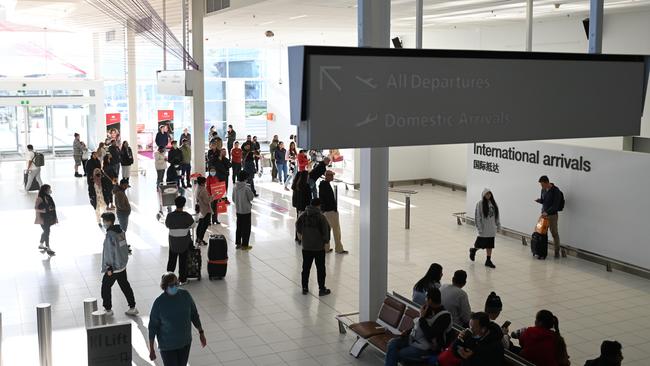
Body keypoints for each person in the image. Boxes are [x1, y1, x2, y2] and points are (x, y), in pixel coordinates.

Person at [148, 272, 207, 365]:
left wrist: (201, 332)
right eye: (172, 285)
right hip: (168, 347)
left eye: (177, 283)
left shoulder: (185, 295)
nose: (175, 286)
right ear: (164, 287)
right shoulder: (159, 303)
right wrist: (151, 349)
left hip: (185, 343)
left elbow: (194, 315)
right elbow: (152, 327)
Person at [384, 288, 452, 366]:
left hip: (428, 348)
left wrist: (422, 317)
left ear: (429, 300)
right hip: (413, 340)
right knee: (392, 343)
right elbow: (418, 325)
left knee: (400, 354)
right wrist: (408, 331)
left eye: (426, 298)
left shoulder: (445, 317)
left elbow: (430, 335)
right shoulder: (428, 308)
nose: (424, 300)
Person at [100, 212, 138, 317]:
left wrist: (108, 267)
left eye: (104, 221)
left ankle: (108, 309)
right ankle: (132, 307)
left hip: (113, 268)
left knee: (105, 287)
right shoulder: (120, 231)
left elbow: (109, 252)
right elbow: (124, 248)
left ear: (109, 221)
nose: (103, 223)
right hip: (121, 265)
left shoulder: (110, 235)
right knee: (125, 285)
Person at [296, 198, 331, 296]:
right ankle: (321, 289)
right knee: (320, 268)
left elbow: (298, 226)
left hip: (306, 246)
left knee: (306, 268)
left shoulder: (303, 215)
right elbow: (326, 230)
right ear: (318, 205)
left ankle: (305, 287)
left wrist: (303, 235)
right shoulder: (321, 217)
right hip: (318, 247)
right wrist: (326, 241)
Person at [165, 196, 194, 286]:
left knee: (172, 260)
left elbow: (167, 225)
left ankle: (168, 279)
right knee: (183, 261)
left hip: (173, 242)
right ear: (184, 204)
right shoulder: (186, 216)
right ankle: (182, 279)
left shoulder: (170, 216)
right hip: (184, 243)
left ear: (175, 204)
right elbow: (193, 225)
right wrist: (186, 228)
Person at [319, 170, 348, 254]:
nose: (332, 177)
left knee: (327, 230)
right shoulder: (325, 186)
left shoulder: (323, 185)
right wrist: (334, 209)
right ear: (327, 176)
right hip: (330, 211)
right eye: (331, 175)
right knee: (336, 230)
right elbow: (328, 200)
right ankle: (339, 248)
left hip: (326, 211)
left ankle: (326, 248)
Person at [470, 188, 500, 268]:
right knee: (480, 244)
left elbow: (497, 216)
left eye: (489, 194)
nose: (488, 195)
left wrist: (498, 225)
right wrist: (479, 228)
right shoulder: (480, 204)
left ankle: (488, 260)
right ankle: (473, 250)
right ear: (483, 195)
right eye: (487, 194)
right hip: (483, 229)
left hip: (491, 229)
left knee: (490, 245)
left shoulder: (493, 203)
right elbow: (477, 217)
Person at [535, 175, 564, 258]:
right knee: (542, 233)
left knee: (554, 233)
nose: (542, 186)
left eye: (543, 184)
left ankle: (556, 252)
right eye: (541, 185)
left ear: (547, 182)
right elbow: (544, 200)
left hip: (552, 216)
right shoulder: (543, 190)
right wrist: (540, 201)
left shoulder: (556, 191)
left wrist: (547, 212)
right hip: (543, 215)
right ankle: (542, 251)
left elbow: (555, 205)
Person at [233, 171, 254, 250]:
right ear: (245, 178)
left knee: (239, 227)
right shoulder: (246, 188)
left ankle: (238, 243)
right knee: (246, 228)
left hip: (238, 210)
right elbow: (251, 198)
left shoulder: (235, 187)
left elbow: (233, 199)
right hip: (246, 211)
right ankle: (245, 245)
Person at [34, 184, 57, 256]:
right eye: (49, 189)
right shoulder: (40, 198)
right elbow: (36, 208)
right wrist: (44, 211)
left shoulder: (48, 197)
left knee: (46, 231)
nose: (50, 190)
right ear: (45, 190)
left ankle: (41, 244)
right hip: (43, 218)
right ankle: (48, 247)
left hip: (48, 217)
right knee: (47, 232)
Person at [292, 171, 311, 244]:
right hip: (304, 207)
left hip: (298, 207)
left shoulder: (296, 186)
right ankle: (302, 238)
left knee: (299, 222)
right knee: (304, 223)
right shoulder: (306, 186)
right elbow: (309, 198)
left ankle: (298, 237)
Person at [194, 177, 212, 246]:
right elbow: (207, 201)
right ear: (202, 183)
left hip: (200, 209)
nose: (205, 183)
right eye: (205, 182)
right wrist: (213, 196)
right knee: (204, 226)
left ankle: (198, 239)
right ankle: (200, 239)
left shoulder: (197, 188)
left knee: (200, 225)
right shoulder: (203, 190)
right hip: (205, 210)